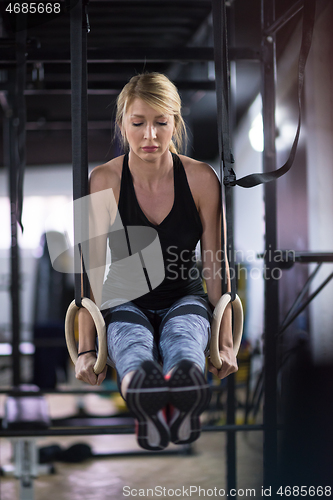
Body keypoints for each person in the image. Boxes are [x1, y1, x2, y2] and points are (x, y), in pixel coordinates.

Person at [75, 72, 238, 451]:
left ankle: (181, 396)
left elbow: (215, 261)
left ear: (175, 124)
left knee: (184, 339)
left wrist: (226, 341)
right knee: (132, 345)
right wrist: (86, 347)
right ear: (122, 125)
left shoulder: (201, 178)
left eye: (161, 123)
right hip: (124, 301)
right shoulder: (103, 180)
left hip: (185, 297)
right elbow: (90, 268)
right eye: (138, 123)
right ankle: (148, 401)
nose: (149, 135)